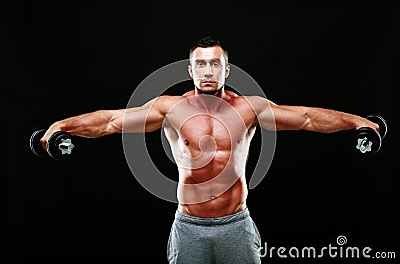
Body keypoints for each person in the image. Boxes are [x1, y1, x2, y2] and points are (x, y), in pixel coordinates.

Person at [39, 36, 379, 263]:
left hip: (237, 225)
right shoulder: (169, 108)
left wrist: (357, 122)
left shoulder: (250, 109)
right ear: (190, 70)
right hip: (189, 228)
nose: (207, 71)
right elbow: (112, 121)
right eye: (200, 64)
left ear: (226, 69)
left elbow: (306, 118)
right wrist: (63, 126)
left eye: (215, 64)